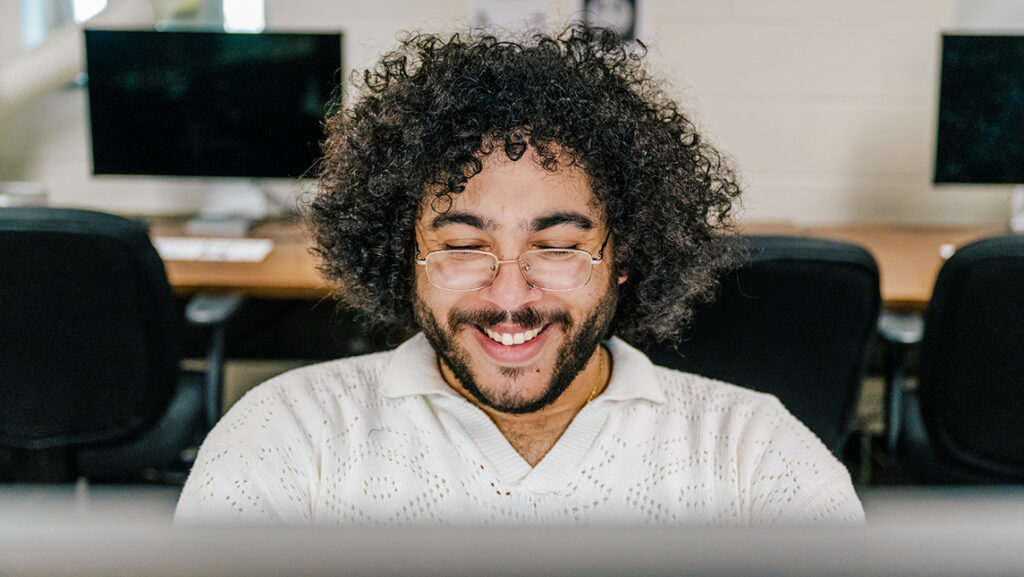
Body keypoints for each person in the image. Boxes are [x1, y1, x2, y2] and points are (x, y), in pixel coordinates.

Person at [175, 25, 864, 526]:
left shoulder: (752, 454)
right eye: (463, 247)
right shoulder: (285, 441)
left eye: (559, 246)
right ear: (403, 254)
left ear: (623, 255)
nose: (509, 297)